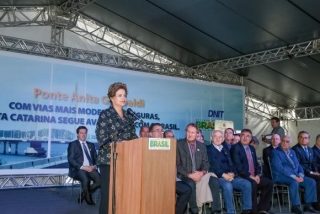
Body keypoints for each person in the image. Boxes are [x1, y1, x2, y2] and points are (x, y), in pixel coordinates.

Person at [95, 82, 138, 214]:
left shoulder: (129, 117)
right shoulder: (105, 114)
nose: (123, 98)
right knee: (108, 196)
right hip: (108, 161)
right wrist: (120, 144)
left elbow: (133, 138)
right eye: (119, 95)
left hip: (126, 162)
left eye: (124, 95)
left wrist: (137, 144)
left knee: (123, 195)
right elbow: (101, 137)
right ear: (112, 97)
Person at [177, 123, 221, 214]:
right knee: (191, 183)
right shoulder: (179, 144)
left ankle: (215, 210)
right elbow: (177, 165)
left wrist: (202, 172)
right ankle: (195, 210)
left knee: (215, 181)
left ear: (197, 134)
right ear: (185, 132)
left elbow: (206, 164)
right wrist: (189, 175)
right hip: (184, 175)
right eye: (188, 132)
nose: (190, 134)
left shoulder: (202, 146)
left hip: (200, 174)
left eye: (192, 132)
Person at [149, 123, 191, 214]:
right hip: (153, 181)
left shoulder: (167, 146)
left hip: (169, 179)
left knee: (187, 189)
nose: (160, 132)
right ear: (150, 134)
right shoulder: (146, 146)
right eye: (157, 130)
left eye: (161, 130)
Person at [207, 130, 252, 214]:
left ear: (223, 138)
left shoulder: (225, 149)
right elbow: (210, 166)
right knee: (227, 185)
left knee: (247, 184)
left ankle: (246, 210)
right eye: (215, 136)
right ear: (211, 138)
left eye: (220, 137)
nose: (217, 139)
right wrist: (223, 175)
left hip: (230, 176)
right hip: (217, 177)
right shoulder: (208, 149)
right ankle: (230, 211)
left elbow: (232, 163)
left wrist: (232, 173)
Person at [271, 135, 318, 214]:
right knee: (294, 182)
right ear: (280, 142)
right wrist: (294, 177)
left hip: (295, 175)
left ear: (290, 143)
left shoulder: (292, 152)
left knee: (311, 181)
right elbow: (279, 168)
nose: (285, 143)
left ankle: (308, 206)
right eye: (283, 141)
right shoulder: (275, 152)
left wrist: (301, 175)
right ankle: (295, 206)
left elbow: (298, 165)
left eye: (287, 141)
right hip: (280, 176)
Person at [231, 129, 273, 214]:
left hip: (253, 176)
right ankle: (253, 211)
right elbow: (238, 167)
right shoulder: (235, 148)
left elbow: (255, 164)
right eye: (243, 135)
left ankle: (263, 208)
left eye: (248, 136)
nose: (245, 138)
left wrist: (257, 175)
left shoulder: (251, 148)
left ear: (251, 138)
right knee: (252, 184)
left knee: (269, 183)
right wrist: (251, 176)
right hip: (242, 176)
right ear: (240, 136)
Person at [68, 126, 101, 205]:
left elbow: (96, 158)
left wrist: (95, 166)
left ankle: (84, 194)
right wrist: (83, 167)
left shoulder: (91, 145)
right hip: (78, 169)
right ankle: (88, 199)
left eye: (85, 133)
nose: (83, 135)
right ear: (77, 134)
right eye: (81, 133)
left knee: (100, 181)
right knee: (86, 180)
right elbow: (71, 159)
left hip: (91, 168)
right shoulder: (73, 144)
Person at [292, 131, 320, 211]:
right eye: (302, 137)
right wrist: (311, 172)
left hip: (311, 172)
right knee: (317, 179)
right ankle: (314, 204)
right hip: (301, 173)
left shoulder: (310, 149)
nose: (304, 139)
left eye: (306, 138)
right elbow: (298, 165)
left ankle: (311, 204)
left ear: (309, 140)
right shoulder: (295, 149)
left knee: (318, 176)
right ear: (298, 139)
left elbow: (313, 162)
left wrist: (316, 171)